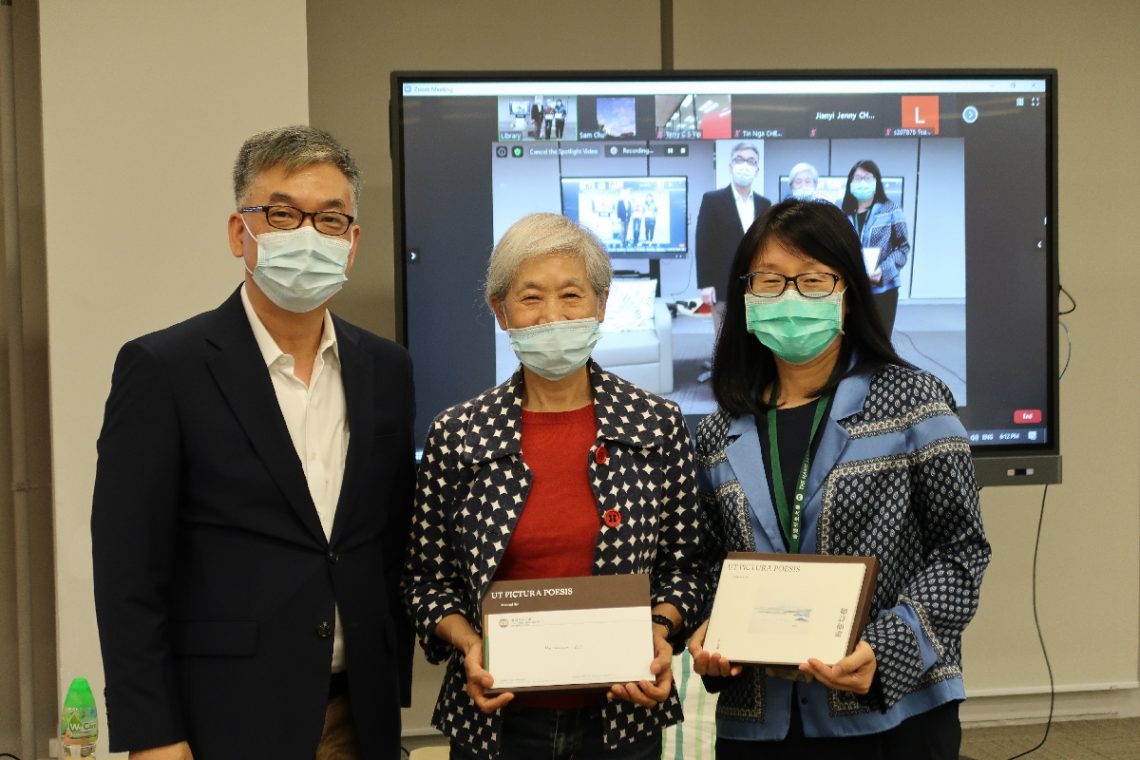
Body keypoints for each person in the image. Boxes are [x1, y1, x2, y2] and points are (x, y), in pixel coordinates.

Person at [91, 126, 416, 759]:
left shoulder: (387, 367)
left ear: (352, 245)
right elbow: (128, 571)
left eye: (330, 220)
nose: (307, 235)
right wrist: (153, 734)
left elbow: (386, 542)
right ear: (242, 233)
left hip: (360, 713)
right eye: (283, 214)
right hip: (224, 715)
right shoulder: (164, 368)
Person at [689, 199, 990, 760]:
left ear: (847, 295)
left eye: (813, 280)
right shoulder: (717, 430)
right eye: (771, 281)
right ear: (746, 296)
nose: (790, 297)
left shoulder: (914, 401)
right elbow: (709, 561)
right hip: (759, 720)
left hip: (890, 713)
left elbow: (962, 550)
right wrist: (712, 626)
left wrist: (889, 647)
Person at [402, 212, 706, 760]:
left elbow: (688, 564)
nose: (552, 317)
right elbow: (425, 580)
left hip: (623, 716)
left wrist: (660, 632)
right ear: (501, 312)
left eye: (571, 295)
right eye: (530, 298)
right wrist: (469, 643)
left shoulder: (656, 424)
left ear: (601, 305)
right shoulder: (458, 434)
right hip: (497, 718)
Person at [695, 142, 772, 303]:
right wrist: (706, 284)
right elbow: (703, 244)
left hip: (756, 287)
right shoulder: (712, 200)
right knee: (725, 329)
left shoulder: (764, 204)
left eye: (751, 161)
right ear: (730, 166)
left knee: (754, 329)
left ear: (756, 170)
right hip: (722, 286)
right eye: (739, 159)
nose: (745, 165)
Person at [840, 159, 911, 336]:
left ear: (876, 181)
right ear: (850, 183)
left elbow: (903, 248)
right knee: (853, 339)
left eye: (867, 177)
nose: (862, 182)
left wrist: (883, 271)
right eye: (857, 178)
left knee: (880, 340)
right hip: (852, 289)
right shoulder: (843, 214)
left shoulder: (892, 210)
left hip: (883, 290)